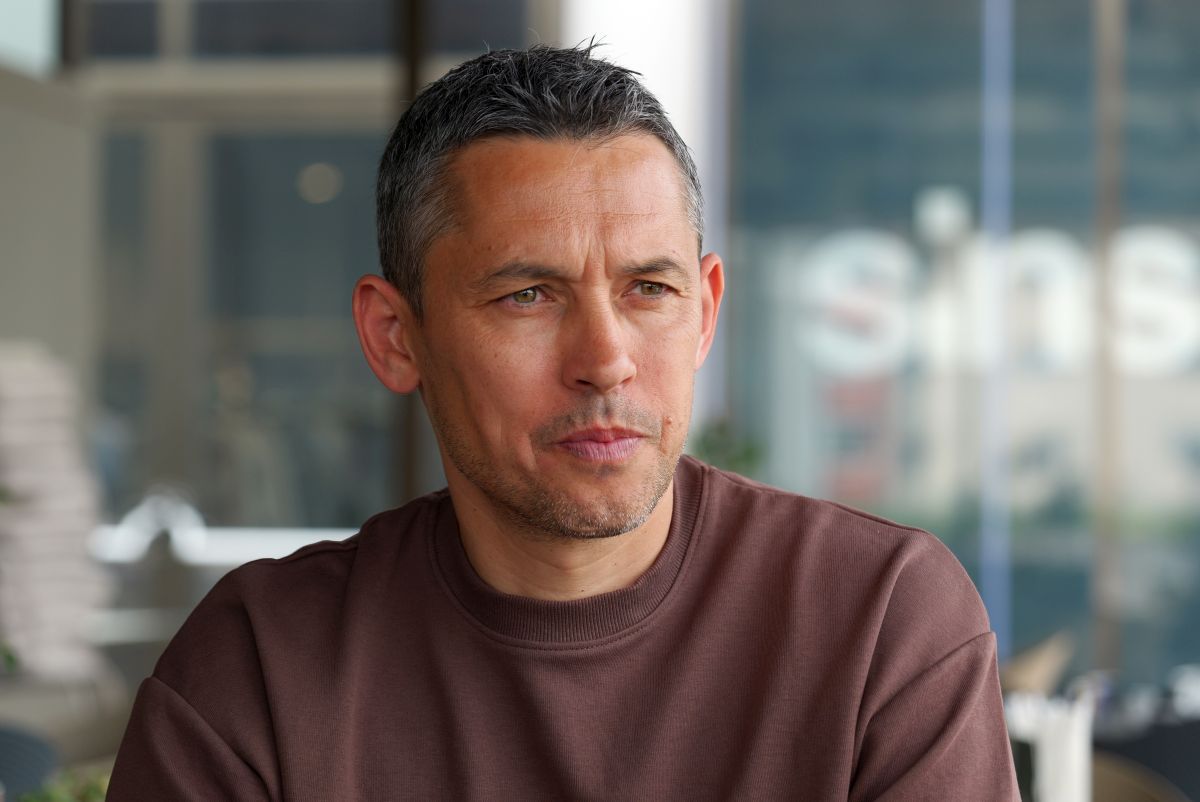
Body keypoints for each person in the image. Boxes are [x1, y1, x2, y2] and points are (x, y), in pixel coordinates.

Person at [108, 44, 1018, 800]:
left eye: (649, 289)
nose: (606, 358)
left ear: (705, 313)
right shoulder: (260, 672)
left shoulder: (880, 621)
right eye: (529, 295)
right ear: (395, 336)